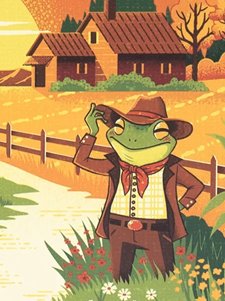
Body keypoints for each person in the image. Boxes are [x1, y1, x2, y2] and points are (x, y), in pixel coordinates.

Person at [74, 96, 204, 280]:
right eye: (123, 128)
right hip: (118, 226)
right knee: (120, 279)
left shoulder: (170, 167)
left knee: (164, 278)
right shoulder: (116, 164)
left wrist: (180, 205)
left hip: (157, 229)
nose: (133, 139)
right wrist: (92, 132)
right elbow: (81, 161)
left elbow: (196, 185)